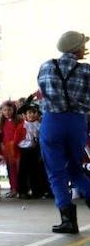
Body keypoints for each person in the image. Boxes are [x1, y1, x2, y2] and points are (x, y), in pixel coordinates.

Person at [36, 31, 90, 232]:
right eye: (83, 45)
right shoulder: (87, 70)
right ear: (76, 48)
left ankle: (68, 219)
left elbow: (42, 92)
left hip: (52, 121)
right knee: (75, 168)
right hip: (76, 121)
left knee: (56, 172)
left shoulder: (47, 66)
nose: (85, 47)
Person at [15, 99, 47, 198]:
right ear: (25, 115)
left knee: (37, 171)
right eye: (29, 113)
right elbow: (18, 140)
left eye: (34, 112)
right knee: (23, 171)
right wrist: (29, 143)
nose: (32, 115)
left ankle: (37, 191)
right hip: (25, 151)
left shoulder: (40, 125)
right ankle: (22, 191)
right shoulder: (21, 126)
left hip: (37, 151)